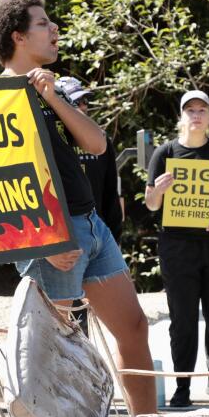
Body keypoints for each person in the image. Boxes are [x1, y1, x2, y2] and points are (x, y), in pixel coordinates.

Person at [0, 0, 156, 415]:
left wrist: (55, 98)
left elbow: (96, 144)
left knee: (134, 328)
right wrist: (43, 241)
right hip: (53, 237)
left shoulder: (49, 88)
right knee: (48, 355)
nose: (55, 29)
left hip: (91, 227)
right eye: (44, 23)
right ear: (18, 37)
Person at [145, 90, 209, 407]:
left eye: (202, 109)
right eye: (190, 110)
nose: (196, 115)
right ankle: (182, 385)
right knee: (182, 320)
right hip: (178, 247)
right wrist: (157, 190)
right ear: (181, 116)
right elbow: (150, 204)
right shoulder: (164, 153)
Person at [56, 76, 124, 337]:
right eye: (75, 102)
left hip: (99, 237)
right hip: (65, 241)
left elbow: (112, 195)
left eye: (85, 101)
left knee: (103, 323)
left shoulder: (100, 140)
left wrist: (114, 240)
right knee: (66, 324)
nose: (83, 107)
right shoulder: (52, 141)